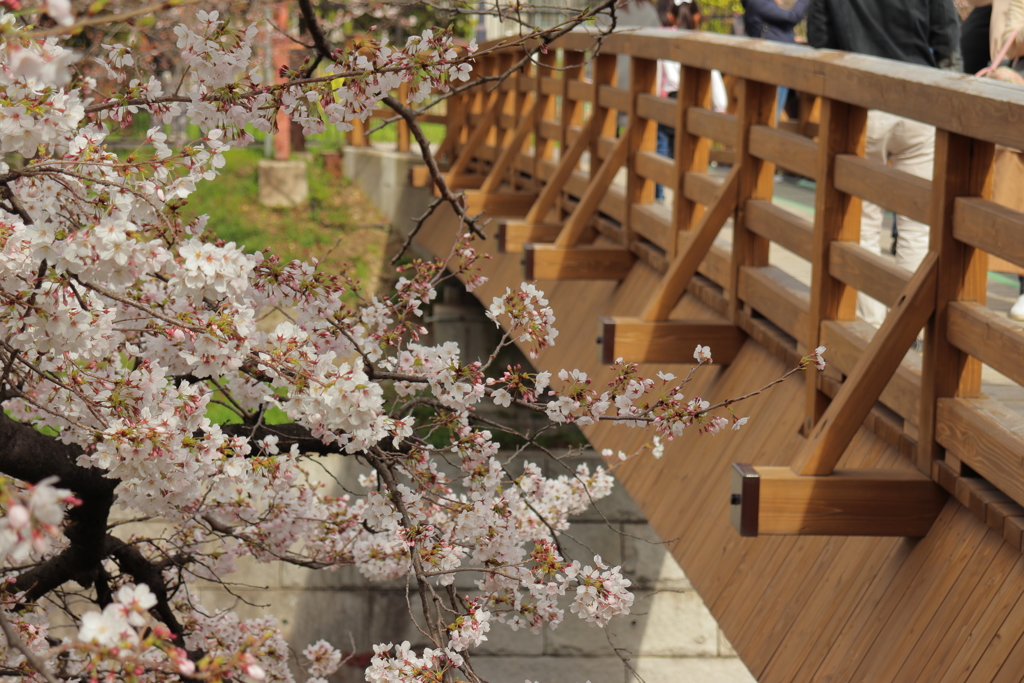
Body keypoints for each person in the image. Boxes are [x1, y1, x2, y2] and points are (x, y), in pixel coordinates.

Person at [808, 0, 960, 327]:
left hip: (860, 102)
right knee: (917, 222)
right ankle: (909, 326)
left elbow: (819, 38)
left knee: (861, 221)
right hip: (919, 100)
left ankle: (872, 324)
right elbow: (947, 38)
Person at [654, 0, 701, 202]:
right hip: (690, 97)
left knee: (661, 146)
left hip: (666, 97)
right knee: (684, 149)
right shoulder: (698, 39)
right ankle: (684, 198)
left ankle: (659, 194)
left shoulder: (662, 34)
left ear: (671, 14)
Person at [741, 0, 809, 119]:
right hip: (774, 64)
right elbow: (791, 17)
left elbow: (779, 24)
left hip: (780, 62)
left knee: (786, 110)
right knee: (771, 113)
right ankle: (764, 135)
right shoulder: (758, 2)